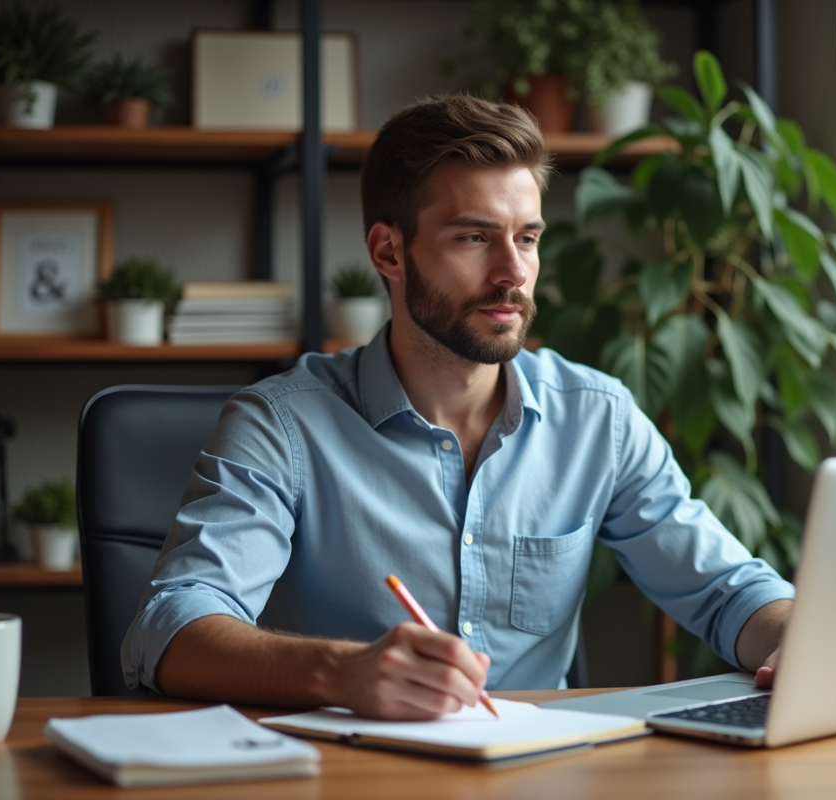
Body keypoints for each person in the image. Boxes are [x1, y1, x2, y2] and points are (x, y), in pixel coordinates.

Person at [122, 94, 794, 721]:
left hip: (542, 773)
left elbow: (729, 590)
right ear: (389, 251)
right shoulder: (281, 425)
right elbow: (169, 629)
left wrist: (794, 638)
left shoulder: (598, 418)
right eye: (475, 237)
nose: (513, 273)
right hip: (353, 773)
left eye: (526, 238)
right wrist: (344, 673)